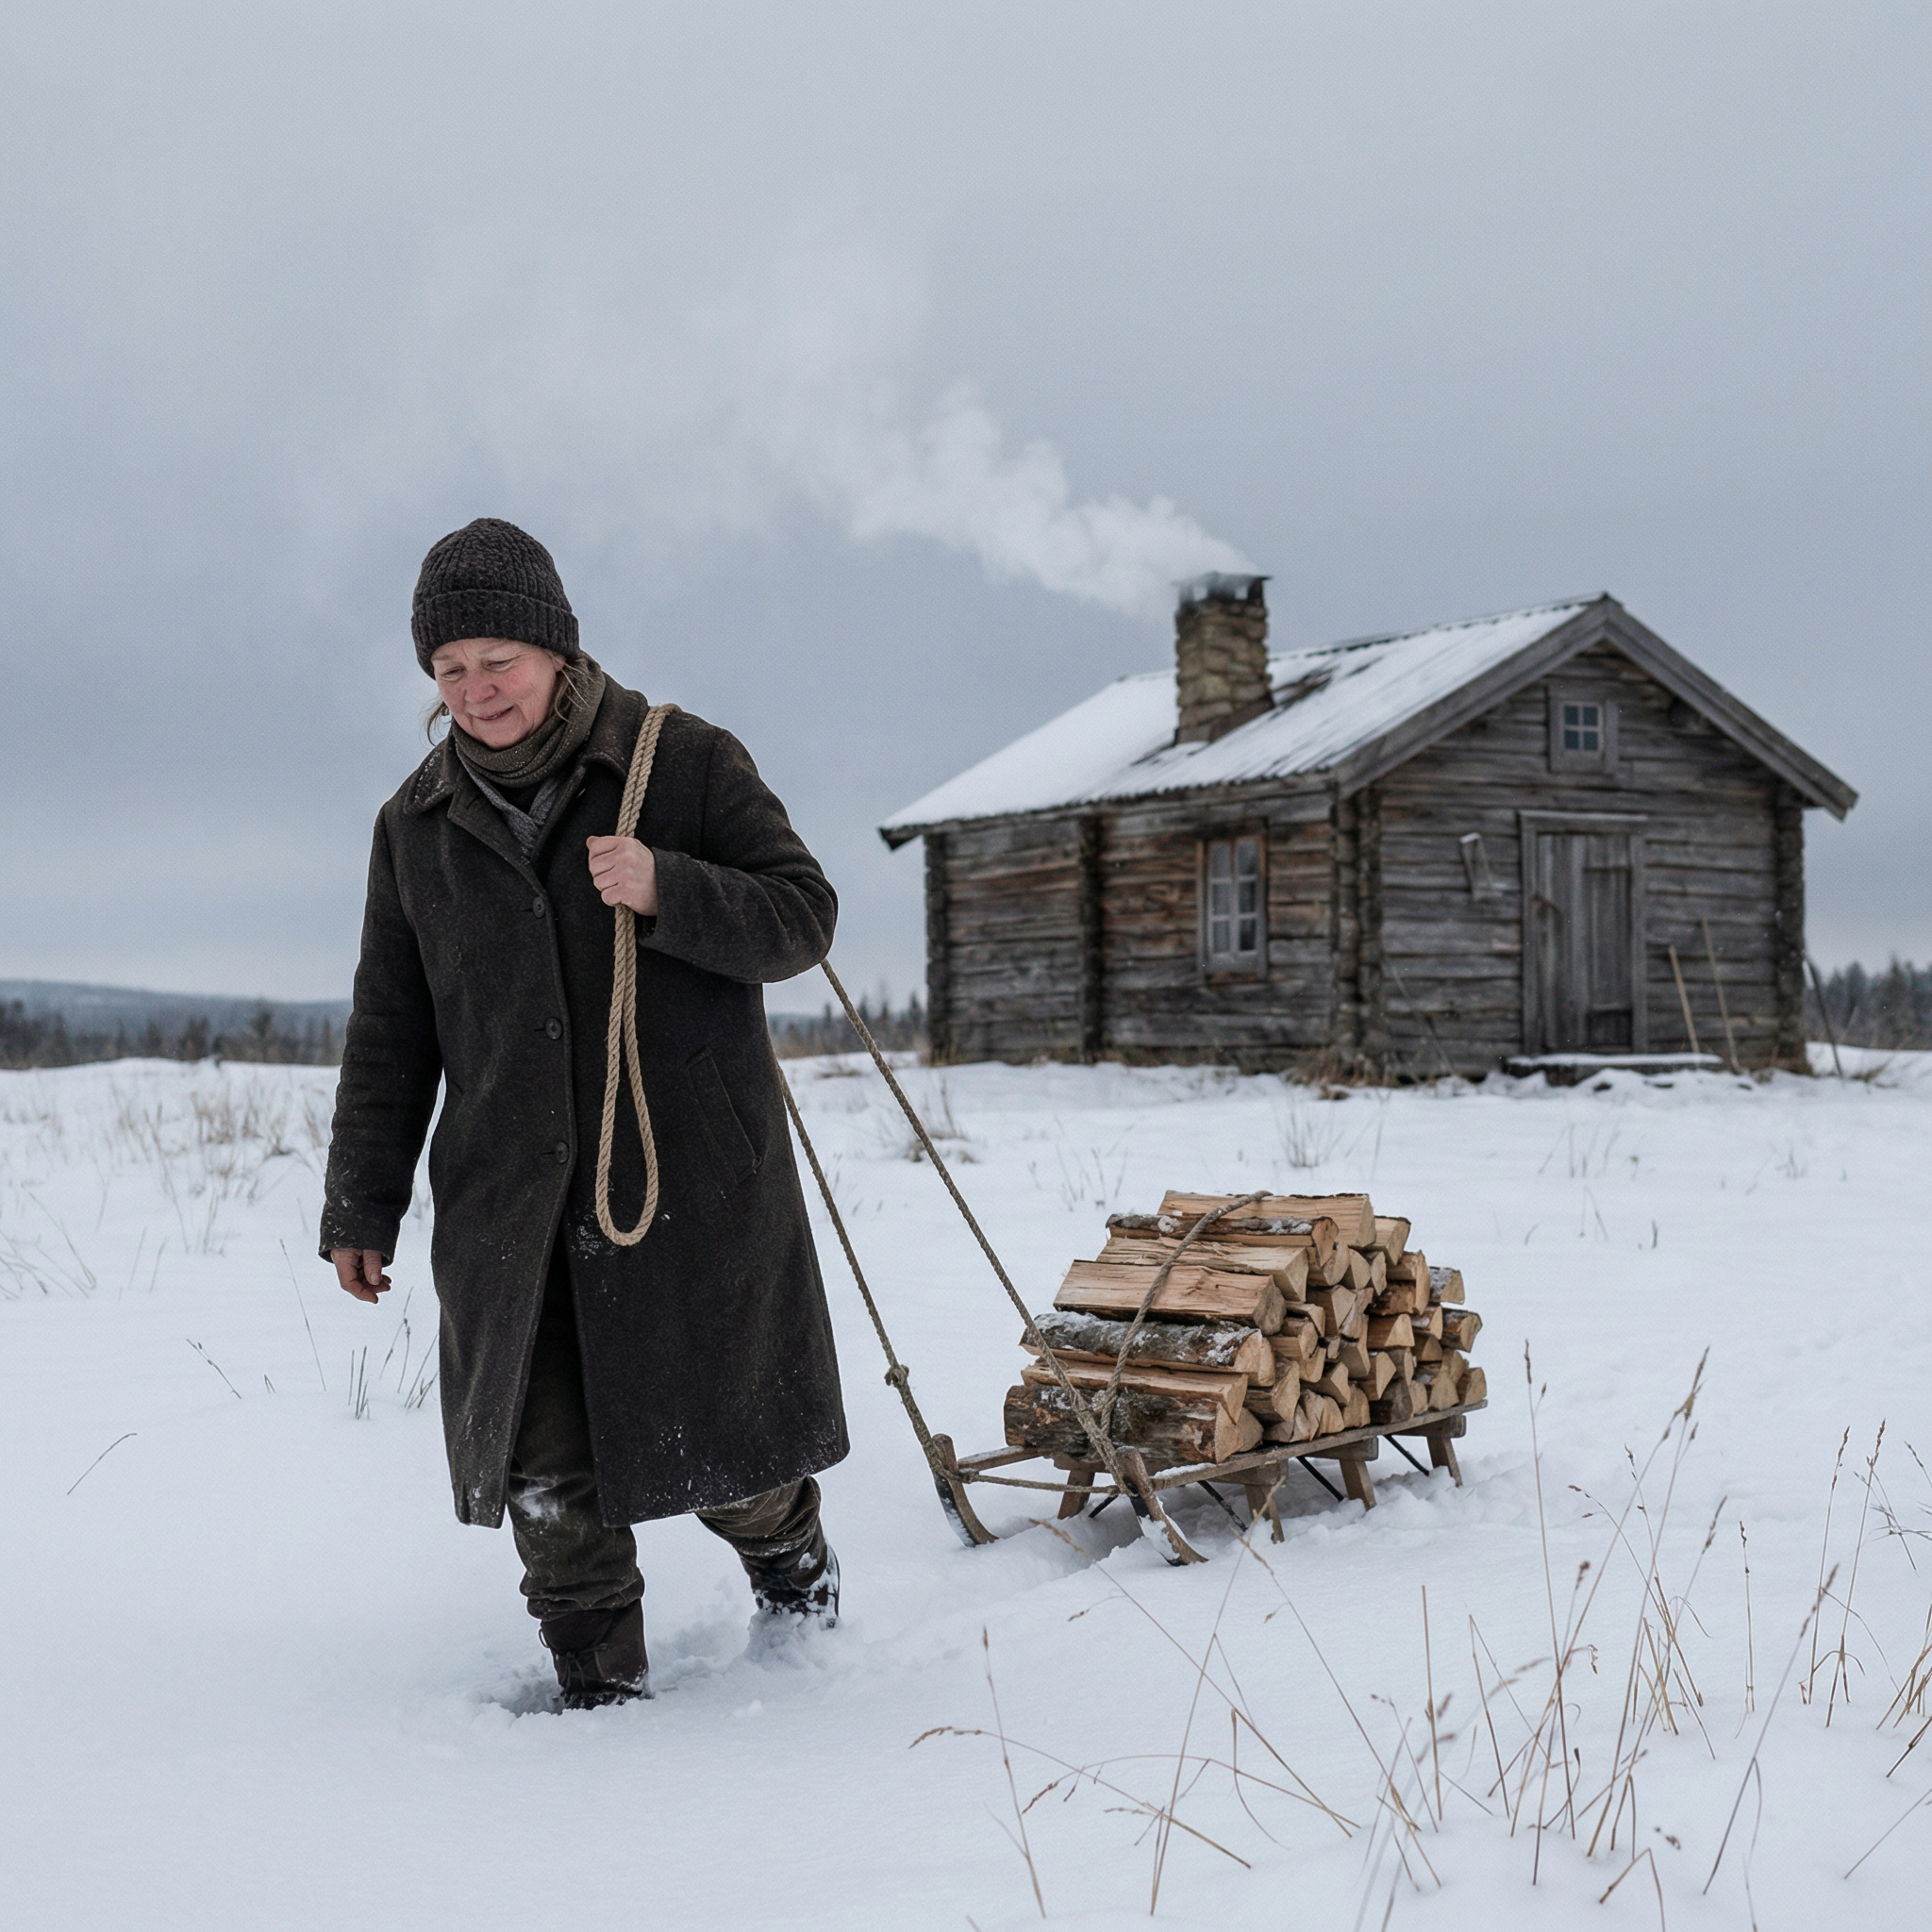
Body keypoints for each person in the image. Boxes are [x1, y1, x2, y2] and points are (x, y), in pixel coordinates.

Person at [320, 517, 847, 1707]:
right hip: (510, 1203)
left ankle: (796, 1578)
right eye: (447, 670)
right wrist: (361, 1201)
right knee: (546, 1473)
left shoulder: (686, 762)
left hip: (683, 1184)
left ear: (556, 648)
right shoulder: (414, 825)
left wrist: (672, 887)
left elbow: (803, 916)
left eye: (495, 657)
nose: (475, 689)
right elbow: (390, 1029)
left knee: (728, 1463)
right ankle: (601, 1707)